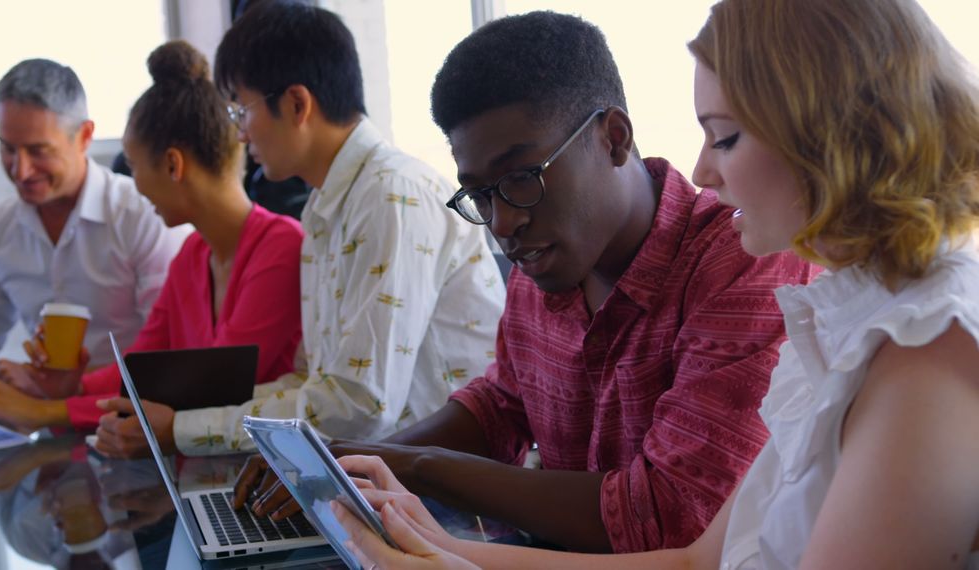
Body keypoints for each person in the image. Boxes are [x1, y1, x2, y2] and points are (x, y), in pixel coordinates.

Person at [330, 0, 979, 567]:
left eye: (723, 137)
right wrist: (430, 543)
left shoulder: (921, 350)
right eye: (481, 196)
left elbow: (669, 518)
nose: (704, 170)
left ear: (827, 134)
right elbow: (697, 562)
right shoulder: (840, 320)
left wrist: (426, 488)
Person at [237, 10, 813, 553]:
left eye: (519, 178)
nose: (502, 222)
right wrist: (354, 461)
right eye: (480, 194)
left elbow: (667, 514)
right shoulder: (544, 262)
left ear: (614, 137)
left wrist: (415, 466)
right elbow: (503, 407)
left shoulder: (740, 263)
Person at [93, 0, 504, 459]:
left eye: (240, 112)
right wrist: (180, 423)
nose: (241, 136)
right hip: (383, 476)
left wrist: (186, 429)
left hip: (447, 499)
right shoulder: (326, 204)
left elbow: (361, 405)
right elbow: (315, 382)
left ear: (295, 104)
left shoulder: (392, 196)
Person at [0, 40, 305, 455]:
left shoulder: (281, 248)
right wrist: (66, 387)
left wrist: (43, 412)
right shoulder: (193, 255)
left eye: (134, 167)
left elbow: (215, 391)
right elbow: (137, 370)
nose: (132, 184)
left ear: (173, 166)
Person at [0, 58, 184, 384]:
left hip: (132, 418)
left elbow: (171, 356)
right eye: (7, 148)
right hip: (47, 422)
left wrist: (48, 388)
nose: (20, 170)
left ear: (85, 136)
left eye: (38, 151)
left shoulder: (144, 216)